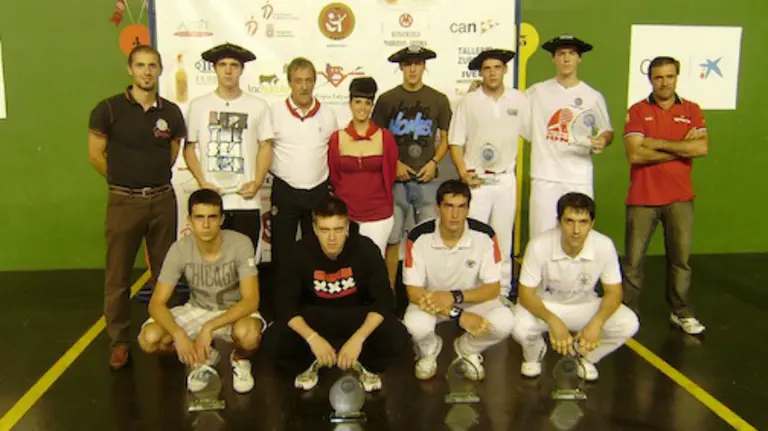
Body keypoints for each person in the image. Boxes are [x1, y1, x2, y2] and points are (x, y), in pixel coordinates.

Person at [88, 45, 186, 369]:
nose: (147, 71)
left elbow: (173, 153)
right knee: (118, 275)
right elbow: (95, 155)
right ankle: (119, 340)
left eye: (153, 66)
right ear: (130, 69)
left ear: (160, 70)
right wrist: (124, 182)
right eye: (141, 65)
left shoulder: (171, 112)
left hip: (162, 200)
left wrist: (150, 181)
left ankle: (162, 331)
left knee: (165, 273)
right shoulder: (108, 109)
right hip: (124, 202)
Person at [263, 195, 407, 392]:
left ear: (347, 226)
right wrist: (313, 338)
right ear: (314, 228)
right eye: (325, 230)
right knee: (274, 339)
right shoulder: (299, 252)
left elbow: (383, 300)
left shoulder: (365, 249)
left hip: (356, 315)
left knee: (397, 336)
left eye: (338, 229)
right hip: (315, 316)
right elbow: (284, 303)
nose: (331, 237)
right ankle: (309, 364)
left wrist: (359, 339)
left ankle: (364, 365)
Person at [138, 189, 264, 393]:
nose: (205, 225)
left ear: (222, 219)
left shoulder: (240, 243)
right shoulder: (180, 249)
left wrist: (208, 328)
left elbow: (251, 301)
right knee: (150, 339)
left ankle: (239, 360)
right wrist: (178, 334)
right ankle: (201, 359)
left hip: (233, 311)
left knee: (249, 336)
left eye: (212, 217)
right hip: (197, 308)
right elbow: (156, 303)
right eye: (199, 217)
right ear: (189, 220)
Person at [622, 56, 709, 335]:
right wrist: (680, 146)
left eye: (669, 76)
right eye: (658, 77)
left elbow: (700, 148)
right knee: (634, 262)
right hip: (642, 197)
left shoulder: (692, 109)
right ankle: (628, 314)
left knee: (680, 260)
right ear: (650, 79)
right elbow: (635, 153)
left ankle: (680, 311)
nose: (664, 82)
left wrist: (655, 142)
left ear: (676, 77)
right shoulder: (637, 111)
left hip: (680, 197)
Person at [512, 192, 639, 381]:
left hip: (585, 306)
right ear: (558, 222)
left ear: (592, 224)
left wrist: (597, 323)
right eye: (569, 221)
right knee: (517, 325)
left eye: (583, 222)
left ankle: (585, 357)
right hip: (546, 306)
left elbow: (614, 292)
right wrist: (553, 321)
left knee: (628, 323)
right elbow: (525, 294)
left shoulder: (604, 245)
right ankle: (534, 354)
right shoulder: (539, 245)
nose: (576, 230)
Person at [403, 180, 514, 381]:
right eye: (449, 207)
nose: (455, 215)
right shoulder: (418, 236)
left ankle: (467, 349)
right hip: (430, 302)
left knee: (505, 322)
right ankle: (429, 350)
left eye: (461, 207)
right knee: (414, 325)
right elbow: (413, 292)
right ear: (437, 208)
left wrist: (454, 297)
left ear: (468, 209)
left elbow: (493, 289)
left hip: (470, 300)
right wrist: (458, 315)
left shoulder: (486, 235)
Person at [448, 48, 530, 299]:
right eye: (487, 68)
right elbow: (455, 141)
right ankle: (470, 292)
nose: (492, 73)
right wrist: (464, 173)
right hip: (477, 181)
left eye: (497, 67)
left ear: (505, 70)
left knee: (502, 238)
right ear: (481, 72)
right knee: (472, 237)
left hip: (505, 179)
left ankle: (502, 292)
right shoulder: (469, 102)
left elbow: (534, 133)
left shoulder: (520, 100)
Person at [372, 45, 453, 288]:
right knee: (392, 239)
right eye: (408, 64)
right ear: (401, 67)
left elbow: (446, 139)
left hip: (428, 180)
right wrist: (394, 163)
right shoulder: (387, 100)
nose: (413, 69)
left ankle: (426, 291)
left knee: (428, 239)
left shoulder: (438, 99)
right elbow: (377, 138)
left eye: (417, 63)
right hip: (395, 182)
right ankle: (389, 293)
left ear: (424, 66)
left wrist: (434, 163)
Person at [183, 43, 274, 256]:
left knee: (246, 264)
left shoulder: (258, 105)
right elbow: (189, 149)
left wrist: (258, 182)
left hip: (246, 202)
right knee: (211, 262)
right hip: (211, 202)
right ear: (214, 69)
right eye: (222, 64)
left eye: (234, 65)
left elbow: (266, 146)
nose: (228, 70)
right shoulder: (199, 105)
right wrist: (203, 183)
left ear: (242, 69)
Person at [526, 34, 614, 237]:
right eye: (561, 54)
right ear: (553, 59)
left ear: (579, 58)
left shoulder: (593, 96)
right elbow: (511, 107)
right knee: (541, 236)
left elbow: (606, 131)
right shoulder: (536, 92)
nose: (566, 58)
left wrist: (603, 140)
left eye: (571, 54)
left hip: (578, 176)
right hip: (544, 176)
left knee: (578, 235)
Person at [269, 57, 337, 274]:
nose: (304, 86)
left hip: (318, 190)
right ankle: (282, 305)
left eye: (308, 80)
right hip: (285, 190)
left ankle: (313, 302)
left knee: (317, 250)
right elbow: (263, 149)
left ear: (315, 82)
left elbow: (334, 153)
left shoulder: (327, 113)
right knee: (282, 252)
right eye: (298, 80)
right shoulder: (274, 112)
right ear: (289, 82)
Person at [328, 77, 398, 256]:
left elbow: (389, 177)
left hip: (378, 215)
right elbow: (335, 178)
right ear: (350, 103)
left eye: (367, 103)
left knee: (374, 264)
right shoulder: (337, 138)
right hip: (346, 215)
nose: (362, 107)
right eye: (358, 102)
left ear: (372, 106)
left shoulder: (385, 138)